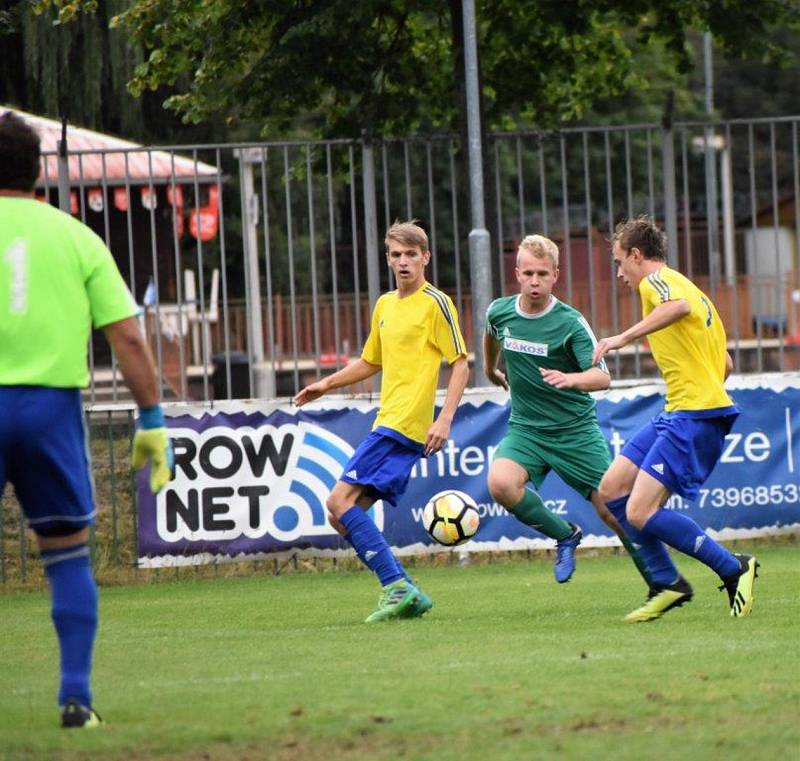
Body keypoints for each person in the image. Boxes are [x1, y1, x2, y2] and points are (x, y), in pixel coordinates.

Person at [0, 111, 173, 727]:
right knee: (67, 554)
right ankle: (76, 699)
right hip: (50, 409)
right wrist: (151, 416)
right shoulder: (75, 236)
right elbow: (126, 337)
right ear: (39, 171)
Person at [294, 220, 469, 622]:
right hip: (387, 421)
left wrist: (443, 420)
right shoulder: (385, 305)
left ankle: (396, 587)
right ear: (388, 258)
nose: (404, 262)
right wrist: (326, 383)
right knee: (341, 516)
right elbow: (372, 361)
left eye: (411, 254)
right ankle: (403, 588)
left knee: (337, 501)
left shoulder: (436, 303)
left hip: (402, 424)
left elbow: (460, 362)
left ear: (426, 257)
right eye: (396, 255)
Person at [593, 215, 759, 622]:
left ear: (636, 255)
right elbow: (726, 362)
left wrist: (621, 337)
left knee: (638, 512)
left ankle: (733, 567)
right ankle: (667, 583)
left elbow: (676, 306)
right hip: (683, 410)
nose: (619, 274)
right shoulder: (694, 289)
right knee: (612, 488)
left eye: (619, 262)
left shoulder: (660, 284)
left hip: (694, 415)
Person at [484, 234, 654, 592]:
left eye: (542, 274)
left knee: (613, 511)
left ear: (556, 275)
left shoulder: (570, 322)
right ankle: (565, 536)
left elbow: (602, 377)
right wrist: (489, 368)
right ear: (517, 273)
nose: (534, 281)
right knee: (500, 483)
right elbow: (491, 335)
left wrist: (571, 378)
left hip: (575, 431)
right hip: (527, 430)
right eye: (528, 273)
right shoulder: (499, 311)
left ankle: (660, 581)